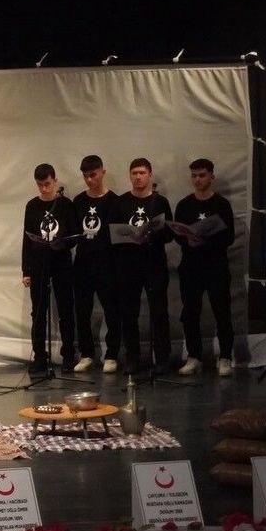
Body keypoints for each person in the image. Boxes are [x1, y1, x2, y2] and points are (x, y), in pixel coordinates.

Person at [173, 158, 237, 377]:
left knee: (222, 311)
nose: (197, 179)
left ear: (212, 176)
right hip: (191, 267)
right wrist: (188, 240)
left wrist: (206, 240)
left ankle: (225, 357)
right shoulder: (184, 205)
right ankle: (194, 357)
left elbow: (229, 236)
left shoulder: (221, 204)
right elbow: (178, 235)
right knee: (190, 312)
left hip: (216, 266)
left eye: (202, 175)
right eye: (194, 175)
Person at [111, 158, 174, 375]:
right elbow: (112, 234)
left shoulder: (159, 202)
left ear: (150, 175)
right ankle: (132, 358)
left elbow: (169, 234)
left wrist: (152, 235)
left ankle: (162, 358)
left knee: (159, 312)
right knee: (129, 313)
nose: (138, 177)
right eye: (134, 173)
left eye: (142, 173)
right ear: (130, 176)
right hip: (128, 265)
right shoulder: (120, 202)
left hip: (154, 264)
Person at [20, 163, 79, 374]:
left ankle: (68, 355)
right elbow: (27, 240)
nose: (44, 189)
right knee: (38, 311)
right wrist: (26, 270)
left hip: (61, 261)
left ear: (55, 181)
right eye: (40, 185)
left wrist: (62, 243)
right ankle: (40, 356)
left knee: (65, 309)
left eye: (47, 184)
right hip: (39, 263)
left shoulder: (65, 204)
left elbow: (75, 235)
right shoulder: (32, 206)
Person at [72, 155, 122, 374]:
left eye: (93, 175)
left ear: (103, 172)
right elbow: (73, 232)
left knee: (112, 309)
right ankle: (86, 354)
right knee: (82, 311)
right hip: (83, 263)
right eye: (85, 176)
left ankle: (112, 355)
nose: (89, 180)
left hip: (107, 263)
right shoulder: (78, 201)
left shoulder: (115, 201)